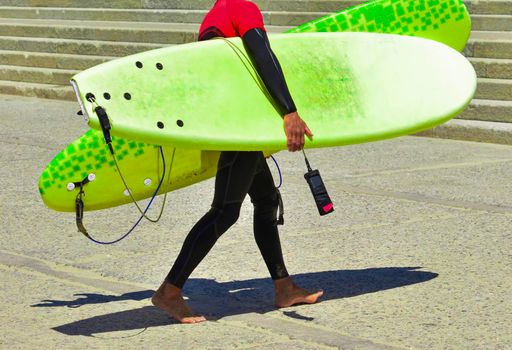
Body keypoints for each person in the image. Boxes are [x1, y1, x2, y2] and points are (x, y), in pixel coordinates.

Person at [152, 0, 323, 324]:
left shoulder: (217, 13)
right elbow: (262, 54)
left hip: (231, 120)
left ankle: (284, 287)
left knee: (266, 199)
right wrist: (289, 110)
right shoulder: (241, 6)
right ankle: (169, 292)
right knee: (224, 211)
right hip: (236, 126)